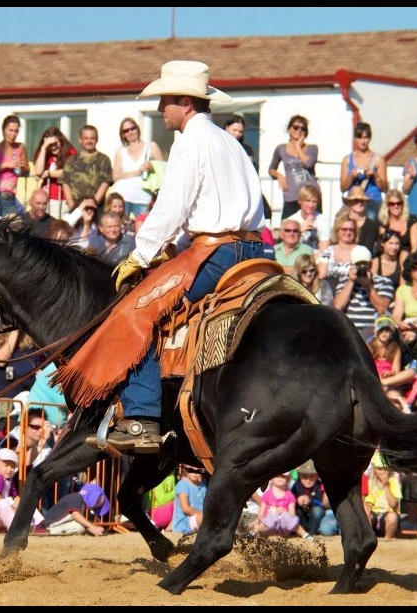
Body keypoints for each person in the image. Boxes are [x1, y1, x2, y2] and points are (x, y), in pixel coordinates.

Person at [57, 60, 267, 454]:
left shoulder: (190, 142)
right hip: (254, 249)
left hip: (216, 251)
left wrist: (140, 255)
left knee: (137, 310)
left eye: (164, 101)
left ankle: (142, 420)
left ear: (185, 103)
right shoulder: (229, 142)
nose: (159, 110)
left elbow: (171, 206)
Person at [333, 244, 394, 342]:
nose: (362, 268)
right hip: (350, 329)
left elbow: (382, 308)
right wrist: (351, 281)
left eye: (365, 264)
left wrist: (369, 287)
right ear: (352, 265)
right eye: (358, 265)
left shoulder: (384, 282)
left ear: (371, 264)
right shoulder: (345, 281)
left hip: (373, 331)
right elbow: (338, 306)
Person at [111, 117, 165, 222]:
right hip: (123, 198)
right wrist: (138, 171)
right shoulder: (120, 151)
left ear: (138, 129)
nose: (130, 132)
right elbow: (115, 175)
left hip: (144, 198)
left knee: (144, 231)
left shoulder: (151, 146)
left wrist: (152, 166)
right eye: (126, 130)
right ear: (123, 135)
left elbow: (164, 170)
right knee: (120, 232)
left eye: (133, 128)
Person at [269, 114, 319, 220]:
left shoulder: (312, 148)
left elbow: (309, 163)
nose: (299, 130)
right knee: (288, 226)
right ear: (289, 129)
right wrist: (279, 176)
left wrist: (297, 146)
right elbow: (271, 169)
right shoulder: (281, 149)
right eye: (296, 127)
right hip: (292, 196)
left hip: (310, 197)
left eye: (303, 128)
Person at [340, 121, 388, 220]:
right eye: (360, 137)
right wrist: (351, 177)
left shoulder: (378, 160)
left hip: (372, 201)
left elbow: (385, 188)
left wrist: (375, 176)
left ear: (369, 138)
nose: (363, 141)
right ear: (355, 139)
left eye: (365, 137)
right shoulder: (347, 160)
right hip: (354, 201)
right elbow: (343, 188)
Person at [61, 124, 113, 212]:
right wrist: (72, 207)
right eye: (86, 138)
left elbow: (105, 184)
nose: (89, 141)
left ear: (97, 140)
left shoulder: (104, 159)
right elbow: (65, 183)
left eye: (92, 138)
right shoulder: (72, 160)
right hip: (74, 206)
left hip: (96, 208)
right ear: (80, 140)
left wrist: (92, 205)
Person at [31, 126, 76, 218]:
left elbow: (69, 171)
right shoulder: (44, 153)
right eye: (50, 144)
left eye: (56, 143)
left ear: (61, 141)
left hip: (63, 198)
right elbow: (39, 171)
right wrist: (44, 147)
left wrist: (49, 174)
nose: (53, 147)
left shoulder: (70, 152)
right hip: (46, 199)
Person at [252, 471, 311, 539]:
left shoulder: (290, 496)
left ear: (288, 479)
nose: (280, 478)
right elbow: (261, 514)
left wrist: (283, 512)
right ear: (271, 479)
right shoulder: (267, 495)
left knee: (285, 516)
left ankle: (305, 535)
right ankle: (254, 533)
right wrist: (258, 520)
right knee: (271, 516)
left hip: (283, 527)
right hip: (269, 526)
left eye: (283, 476)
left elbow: (292, 515)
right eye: (277, 476)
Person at [40, 481, 108, 536]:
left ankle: (50, 531)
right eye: (97, 500)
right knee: (79, 526)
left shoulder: (81, 502)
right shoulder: (76, 497)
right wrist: (92, 527)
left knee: (80, 527)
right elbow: (75, 514)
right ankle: (47, 531)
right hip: (49, 523)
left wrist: (89, 529)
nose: (95, 506)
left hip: (56, 523)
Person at [291, 460, 338, 537]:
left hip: (314, 518)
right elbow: (290, 499)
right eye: (304, 477)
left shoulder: (319, 486)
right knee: (296, 511)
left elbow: (322, 503)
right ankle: (298, 531)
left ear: (317, 476)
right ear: (299, 475)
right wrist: (297, 500)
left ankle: (312, 533)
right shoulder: (296, 486)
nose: (308, 480)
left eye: (312, 476)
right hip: (301, 517)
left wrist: (310, 500)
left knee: (317, 510)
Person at [363, 455, 402, 539]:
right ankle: (369, 539)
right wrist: (368, 507)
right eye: (380, 469)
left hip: (388, 517)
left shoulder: (394, 482)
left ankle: (387, 541)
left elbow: (394, 505)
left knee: (392, 517)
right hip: (374, 517)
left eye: (385, 468)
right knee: (365, 513)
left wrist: (386, 486)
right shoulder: (371, 482)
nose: (383, 472)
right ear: (375, 469)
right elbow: (369, 502)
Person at [287, 183, 330, 253]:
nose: (311, 205)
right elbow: (287, 248)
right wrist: (299, 230)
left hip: (315, 258)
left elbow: (324, 250)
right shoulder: (291, 220)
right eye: (308, 200)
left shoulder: (323, 221)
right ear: (300, 201)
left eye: (314, 202)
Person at [171, 466, 207, 534]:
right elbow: (186, 508)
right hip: (184, 523)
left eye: (198, 470)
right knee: (204, 517)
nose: (195, 472)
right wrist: (205, 516)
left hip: (200, 518)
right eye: (192, 469)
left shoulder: (203, 486)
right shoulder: (183, 485)